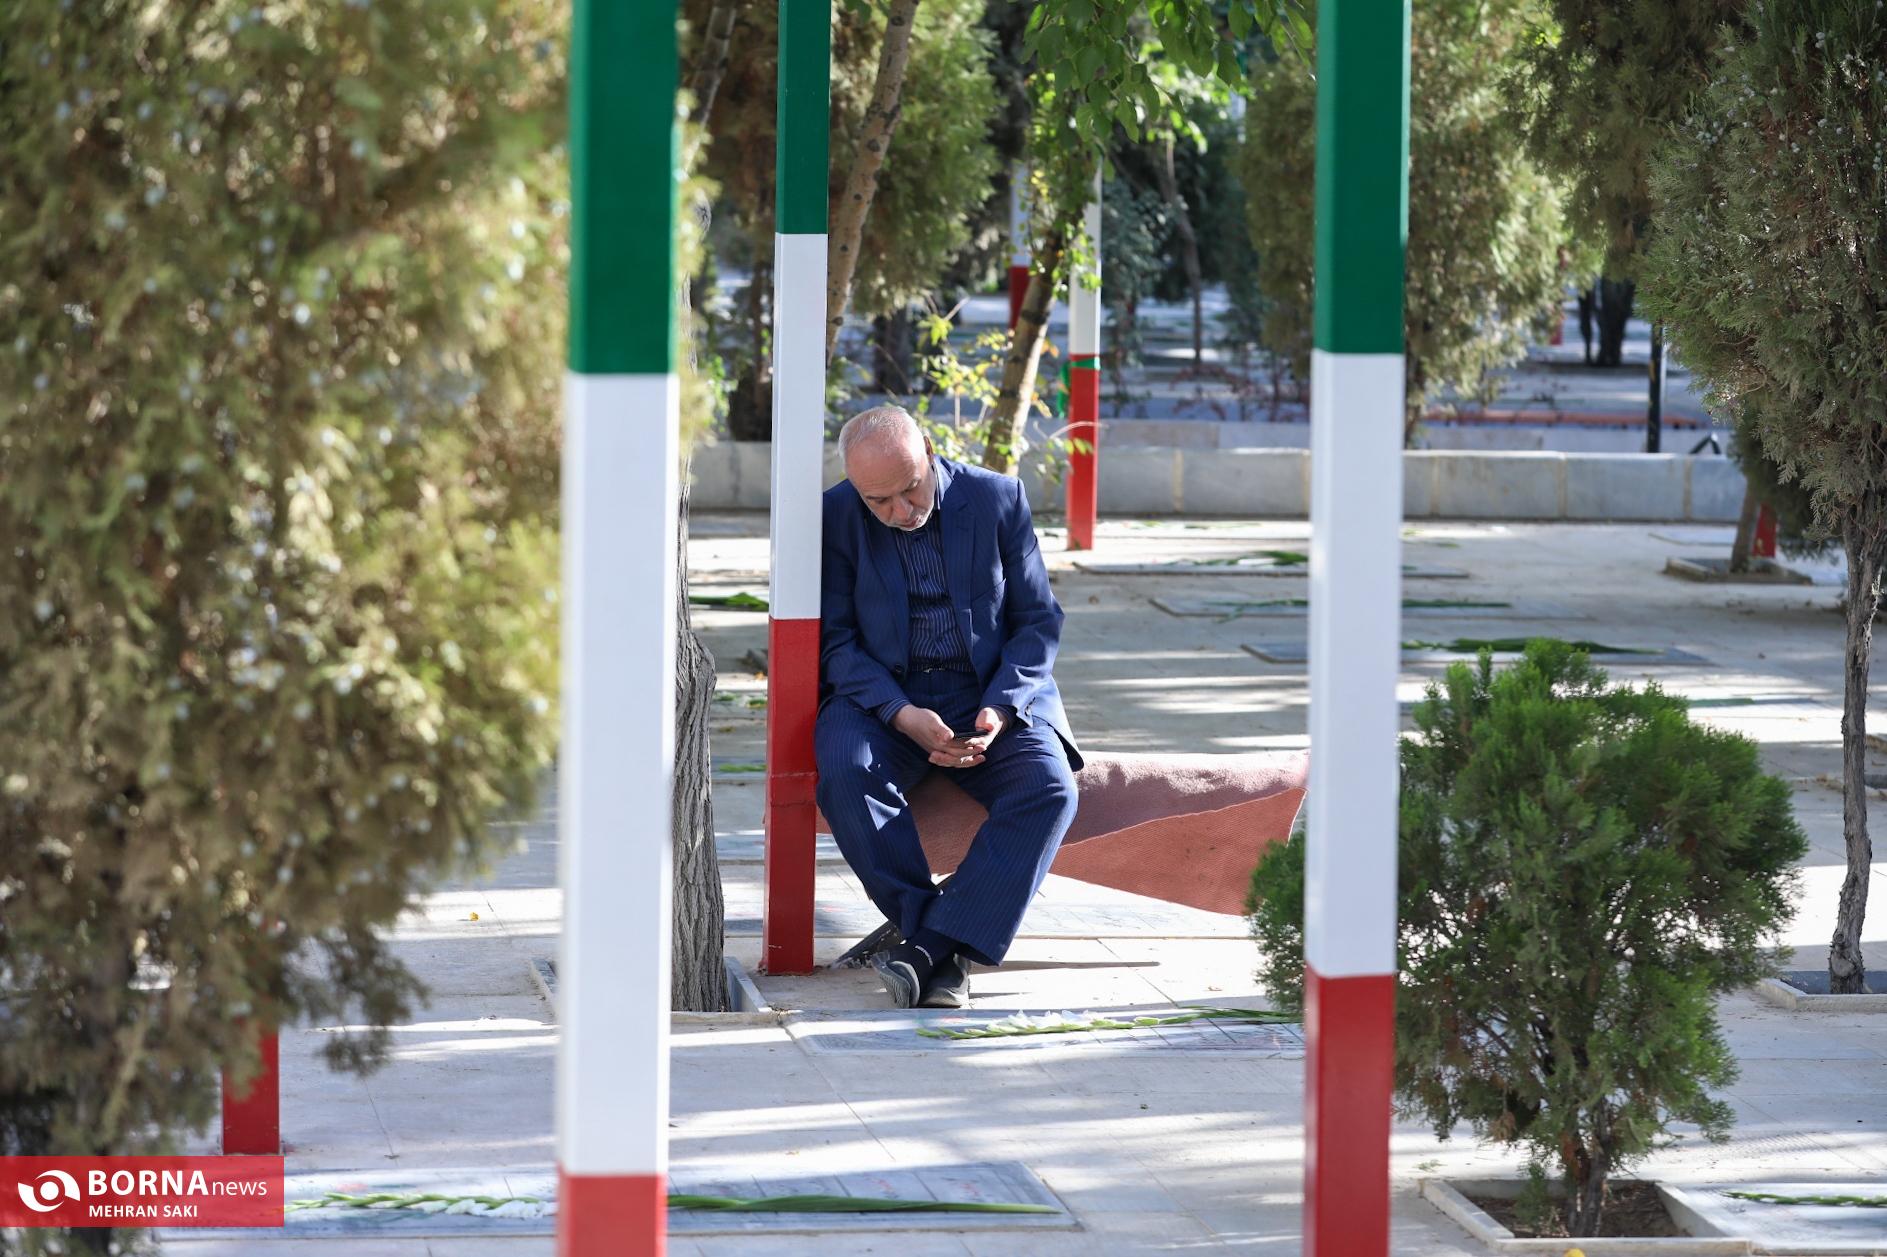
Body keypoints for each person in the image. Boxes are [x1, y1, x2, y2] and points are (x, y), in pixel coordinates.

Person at [814, 405, 1082, 1009]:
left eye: (910, 489)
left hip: (987, 690)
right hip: (881, 696)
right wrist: (899, 712)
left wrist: (1003, 707)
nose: (900, 511)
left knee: (1049, 790)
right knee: (846, 772)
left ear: (930, 452)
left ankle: (926, 948)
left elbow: (1037, 621)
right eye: (879, 501)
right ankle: (938, 938)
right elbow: (834, 642)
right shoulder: (836, 515)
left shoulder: (997, 498)